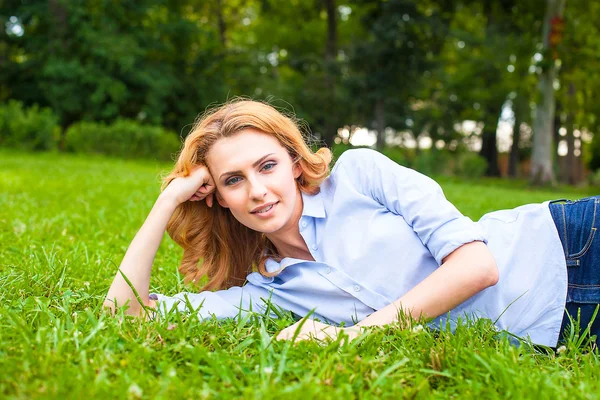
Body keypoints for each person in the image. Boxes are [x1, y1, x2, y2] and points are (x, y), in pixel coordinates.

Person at [104, 99, 599, 348]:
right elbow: (124, 316)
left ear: (295, 162)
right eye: (233, 179)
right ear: (217, 197)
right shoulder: (269, 292)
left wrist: (350, 335)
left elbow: (477, 265)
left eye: (268, 166)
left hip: (570, 244)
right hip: (564, 326)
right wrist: (169, 200)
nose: (257, 190)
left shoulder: (361, 174)